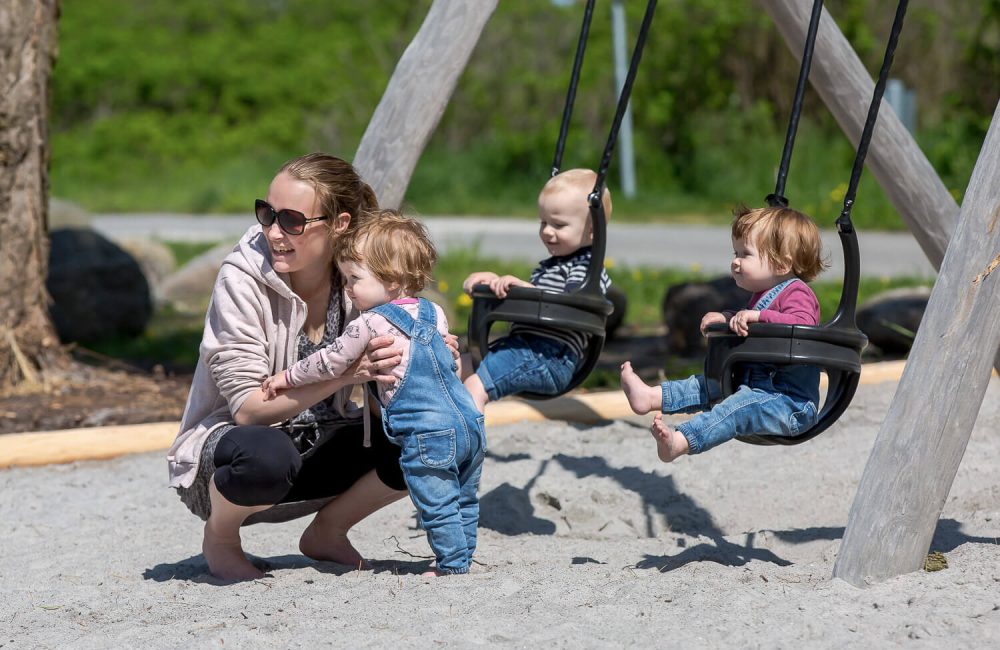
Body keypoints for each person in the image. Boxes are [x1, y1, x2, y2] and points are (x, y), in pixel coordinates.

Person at [167, 153, 457, 582]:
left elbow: (390, 378)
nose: (273, 232)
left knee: (427, 433)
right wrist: (348, 373)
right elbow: (247, 410)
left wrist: (425, 356)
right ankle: (222, 538)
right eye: (266, 213)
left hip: (321, 449)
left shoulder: (361, 277)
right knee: (266, 454)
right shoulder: (241, 277)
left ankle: (328, 531)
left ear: (339, 223)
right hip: (230, 466)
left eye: (290, 220)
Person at [262, 211, 486, 576]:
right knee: (464, 497)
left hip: (427, 432)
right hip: (470, 422)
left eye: (355, 278)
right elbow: (449, 368)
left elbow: (329, 362)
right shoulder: (435, 313)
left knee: (436, 501)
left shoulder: (368, 323)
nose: (348, 288)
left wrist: (286, 376)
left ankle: (452, 564)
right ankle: (463, 555)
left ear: (393, 280)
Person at [620, 205, 828, 461]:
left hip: (789, 405)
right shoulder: (760, 298)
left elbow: (802, 325)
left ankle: (682, 440)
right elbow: (751, 323)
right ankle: (650, 397)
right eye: (735, 252)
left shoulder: (797, 293)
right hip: (755, 391)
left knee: (736, 408)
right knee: (706, 385)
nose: (735, 261)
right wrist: (727, 318)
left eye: (745, 254)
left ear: (782, 263)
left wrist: (758, 316)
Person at [461, 168, 612, 411]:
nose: (546, 231)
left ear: (593, 231)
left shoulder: (588, 273)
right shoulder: (549, 267)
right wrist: (494, 282)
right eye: (543, 222)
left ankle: (466, 447)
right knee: (455, 367)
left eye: (558, 224)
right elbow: (533, 299)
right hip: (524, 349)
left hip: (550, 359)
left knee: (475, 388)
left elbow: (568, 305)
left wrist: (524, 288)